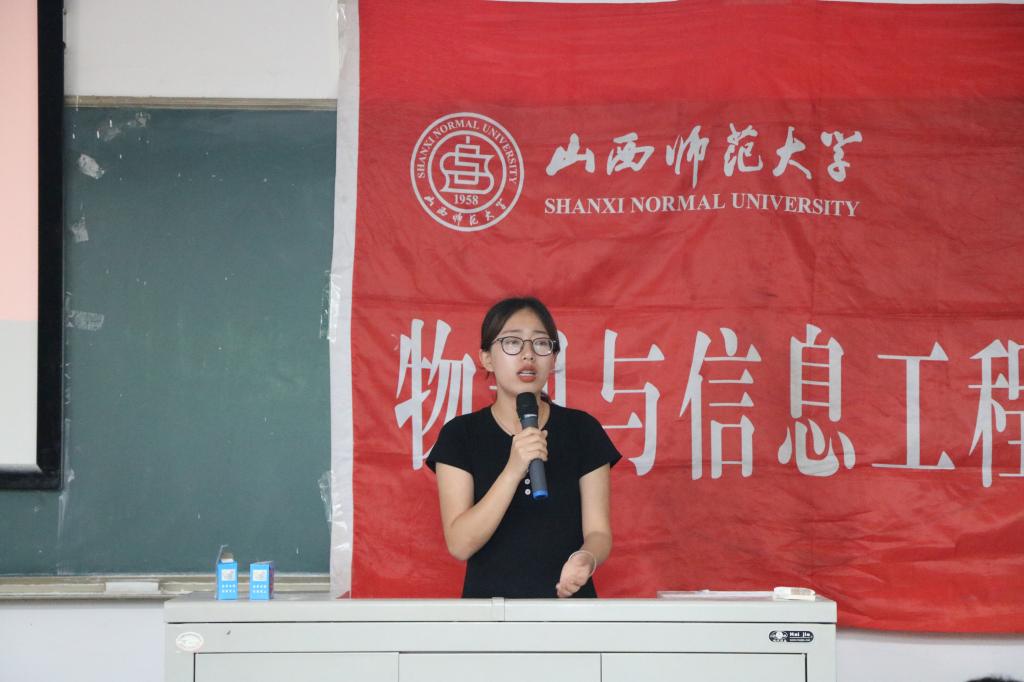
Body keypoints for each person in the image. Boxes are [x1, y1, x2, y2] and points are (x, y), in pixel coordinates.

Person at [426, 297, 622, 598]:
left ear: (553, 359)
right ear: (486, 358)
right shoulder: (460, 435)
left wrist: (587, 557)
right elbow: (460, 544)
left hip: (569, 609)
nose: (528, 354)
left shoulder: (583, 430)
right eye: (512, 343)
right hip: (491, 613)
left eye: (541, 344)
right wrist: (513, 470)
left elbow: (598, 532)